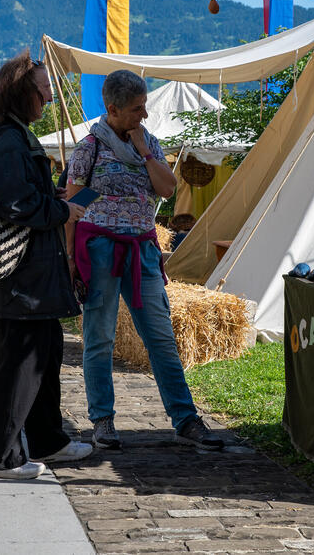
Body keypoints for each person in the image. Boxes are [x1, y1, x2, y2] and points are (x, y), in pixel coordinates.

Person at [65, 69, 224, 451]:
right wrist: (72, 261)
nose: (144, 116)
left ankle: (186, 420)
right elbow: (74, 205)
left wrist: (146, 151)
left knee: (161, 337)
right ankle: (102, 420)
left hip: (142, 251)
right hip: (101, 251)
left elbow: (166, 189)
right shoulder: (90, 149)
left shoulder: (147, 141)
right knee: (99, 338)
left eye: (144, 107)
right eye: (137, 110)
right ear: (112, 109)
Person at [0, 51, 92, 479]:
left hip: (30, 274)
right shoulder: (7, 140)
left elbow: (18, 193)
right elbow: (15, 202)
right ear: (24, 94)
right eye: (44, 93)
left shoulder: (10, 135)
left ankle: (47, 440)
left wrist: (52, 200)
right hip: (21, 275)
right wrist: (61, 212)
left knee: (43, 354)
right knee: (18, 364)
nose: (49, 102)